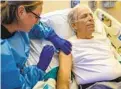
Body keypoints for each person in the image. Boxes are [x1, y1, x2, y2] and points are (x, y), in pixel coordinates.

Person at [1, 1, 72, 89]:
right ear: (21, 12)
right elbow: (17, 86)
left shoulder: (16, 24)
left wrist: (52, 36)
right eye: (36, 16)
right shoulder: (3, 52)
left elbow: (36, 29)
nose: (38, 21)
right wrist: (39, 68)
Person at [58, 5, 121, 89]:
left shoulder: (103, 39)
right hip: (97, 86)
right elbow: (63, 79)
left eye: (91, 15)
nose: (91, 18)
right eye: (84, 16)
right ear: (74, 26)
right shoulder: (68, 45)